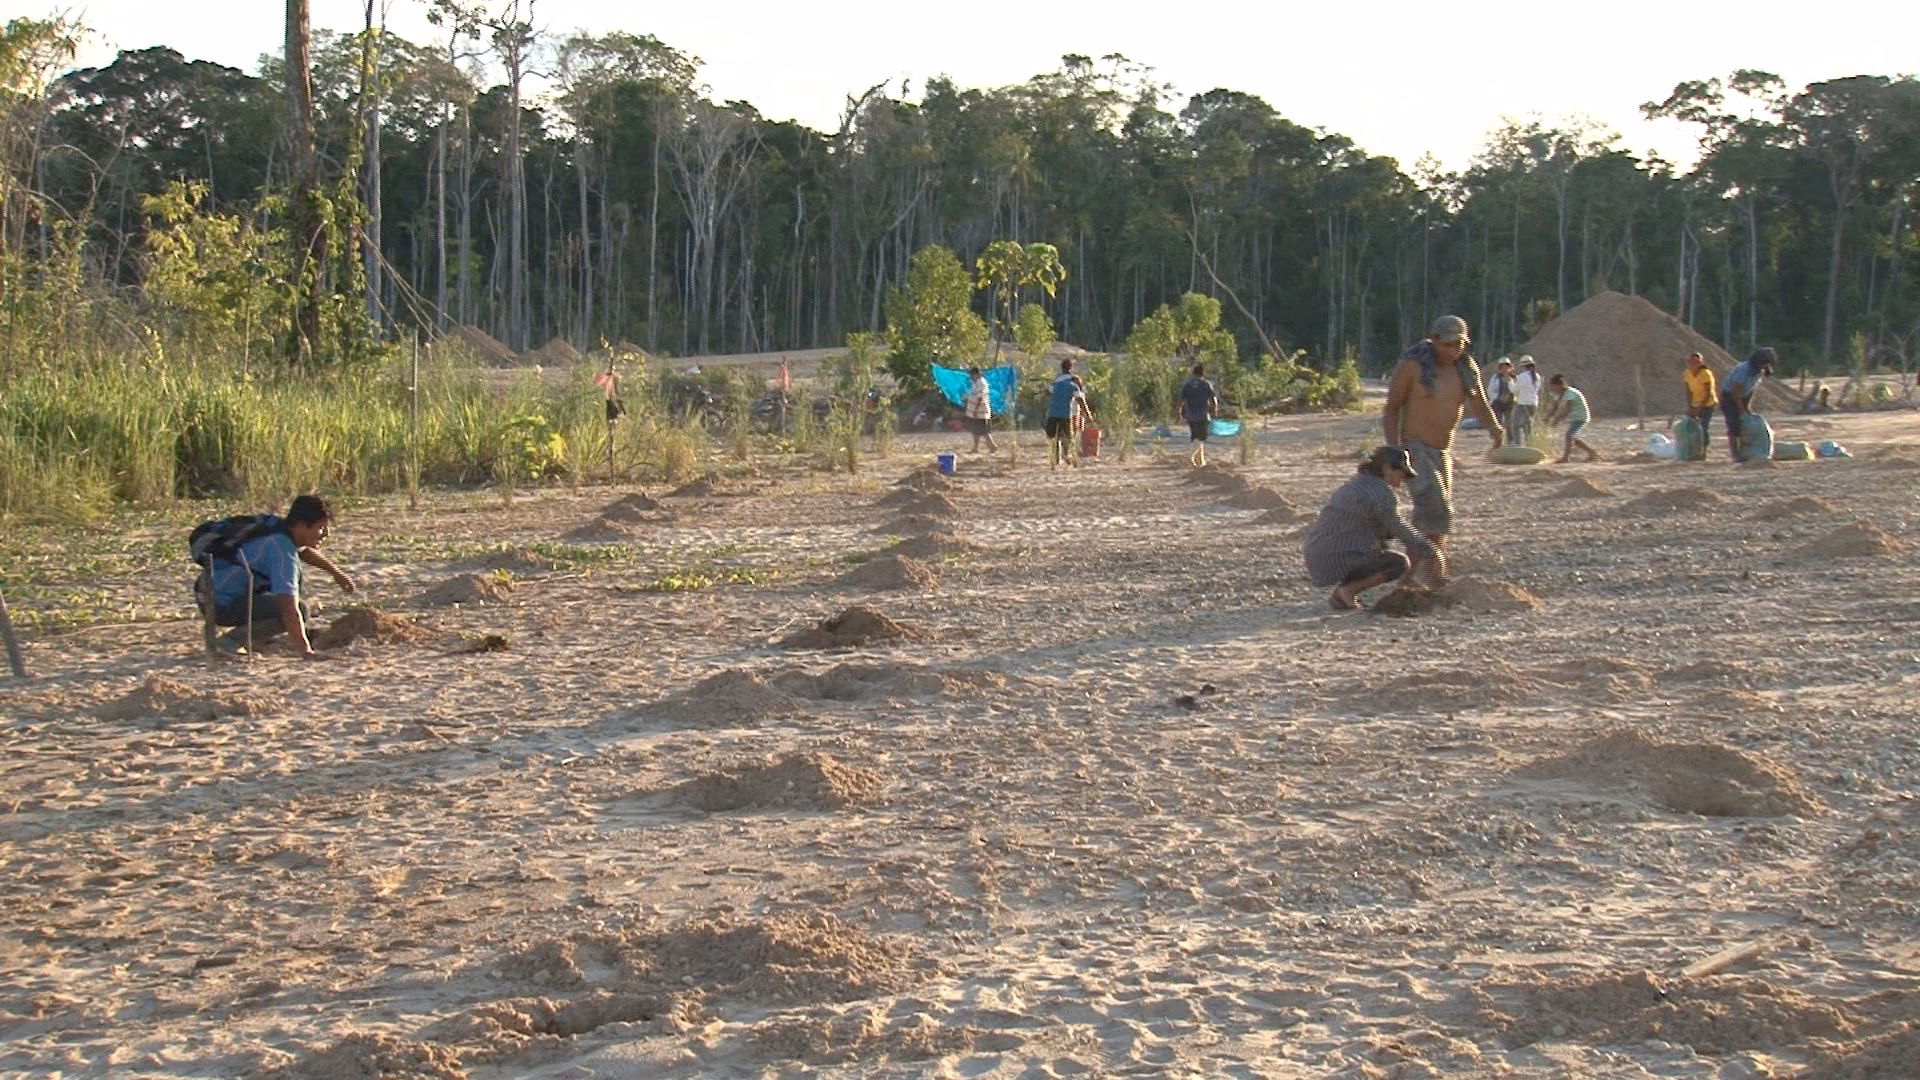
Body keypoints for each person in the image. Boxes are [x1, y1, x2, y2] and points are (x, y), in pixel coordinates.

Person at [1381, 315, 1503, 570]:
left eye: (1459, 344)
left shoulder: (1466, 368)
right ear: (1434, 340)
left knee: (1438, 510)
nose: (1453, 350)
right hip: (1414, 448)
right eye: (1447, 344)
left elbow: (1479, 401)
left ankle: (1428, 568)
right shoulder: (1413, 367)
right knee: (1434, 505)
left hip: (1442, 450)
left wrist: (1493, 426)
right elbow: (1392, 408)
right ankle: (1423, 568)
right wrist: (1393, 451)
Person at [199, 495, 355, 658]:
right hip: (220, 603)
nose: (325, 534)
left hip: (209, 592)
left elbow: (305, 552)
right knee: (300, 610)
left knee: (291, 603)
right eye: (321, 528)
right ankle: (229, 642)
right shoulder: (281, 553)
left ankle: (254, 639)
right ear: (301, 526)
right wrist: (305, 651)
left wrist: (337, 573)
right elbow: (287, 607)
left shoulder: (279, 530)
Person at [1305, 446, 1444, 611]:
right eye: (1400, 472)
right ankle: (1348, 590)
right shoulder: (1380, 492)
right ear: (1386, 468)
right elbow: (1399, 528)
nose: (1403, 479)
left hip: (1318, 554)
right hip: (1337, 557)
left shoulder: (1357, 483)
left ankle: (1341, 596)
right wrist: (1430, 550)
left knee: (1382, 547)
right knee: (1397, 563)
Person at [1720, 347, 1777, 461]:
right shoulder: (1744, 370)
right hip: (1729, 397)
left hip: (1742, 396)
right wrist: (1741, 409)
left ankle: (1747, 452)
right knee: (1734, 425)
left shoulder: (1758, 371)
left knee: (1745, 424)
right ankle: (1735, 455)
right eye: (1764, 363)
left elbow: (1751, 389)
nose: (1765, 366)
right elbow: (1735, 392)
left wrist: (1747, 408)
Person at [1045, 358, 1093, 469]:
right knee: (1069, 436)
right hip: (1066, 414)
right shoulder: (1074, 385)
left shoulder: (1056, 383)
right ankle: (1070, 457)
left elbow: (1048, 392)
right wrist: (1087, 413)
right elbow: (1081, 400)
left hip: (1052, 413)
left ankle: (1055, 459)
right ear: (1071, 368)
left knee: (1053, 437)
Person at [1545, 374, 1599, 462]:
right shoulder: (1561, 394)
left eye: (1554, 387)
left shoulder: (1570, 393)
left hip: (1581, 417)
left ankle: (1566, 458)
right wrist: (1547, 417)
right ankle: (1592, 453)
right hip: (1576, 417)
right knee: (1573, 438)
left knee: (1569, 436)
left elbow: (1568, 409)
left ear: (1560, 385)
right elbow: (1555, 406)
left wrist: (1556, 420)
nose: (1554, 389)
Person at [1178, 363, 1219, 467]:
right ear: (1203, 373)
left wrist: (1179, 413)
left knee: (1195, 436)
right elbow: (1213, 399)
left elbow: (1181, 401)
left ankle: (1200, 462)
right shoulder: (1206, 384)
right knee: (1201, 437)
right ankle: (1189, 456)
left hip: (1190, 415)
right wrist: (1214, 411)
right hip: (1203, 414)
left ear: (1193, 373)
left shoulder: (1187, 384)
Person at [963, 366, 998, 453]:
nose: (971, 377)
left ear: (976, 374)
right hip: (976, 411)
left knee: (984, 431)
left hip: (980, 411)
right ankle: (975, 448)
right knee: (975, 431)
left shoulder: (981, 383)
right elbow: (974, 395)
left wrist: (975, 410)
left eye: (972, 375)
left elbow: (980, 398)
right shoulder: (976, 383)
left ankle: (993, 446)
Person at [1510, 355, 1543, 446]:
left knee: (1515, 425)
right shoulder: (1537, 376)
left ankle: (1518, 445)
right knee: (1528, 426)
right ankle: (1530, 444)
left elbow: (1514, 390)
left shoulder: (1522, 376)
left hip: (1523, 403)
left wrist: (1510, 381)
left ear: (1523, 366)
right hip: (1533, 403)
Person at [1684, 352, 1717, 439]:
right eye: (1690, 362)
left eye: (1696, 362)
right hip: (1695, 403)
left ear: (1700, 363)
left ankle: (1703, 449)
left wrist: (1699, 409)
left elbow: (1708, 393)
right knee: (1690, 427)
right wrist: (1690, 407)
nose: (1693, 364)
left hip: (1707, 404)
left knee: (1702, 428)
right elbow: (1688, 391)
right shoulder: (1687, 373)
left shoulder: (1705, 373)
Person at [1486, 358, 1518, 438]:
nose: (1505, 369)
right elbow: (1490, 390)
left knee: (1509, 423)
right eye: (1503, 367)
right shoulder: (1495, 378)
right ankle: (1498, 440)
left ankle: (1510, 441)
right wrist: (1498, 397)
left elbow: (1517, 390)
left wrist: (1510, 382)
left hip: (1510, 403)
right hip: (1497, 403)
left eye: (1507, 367)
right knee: (1498, 422)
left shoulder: (1514, 378)